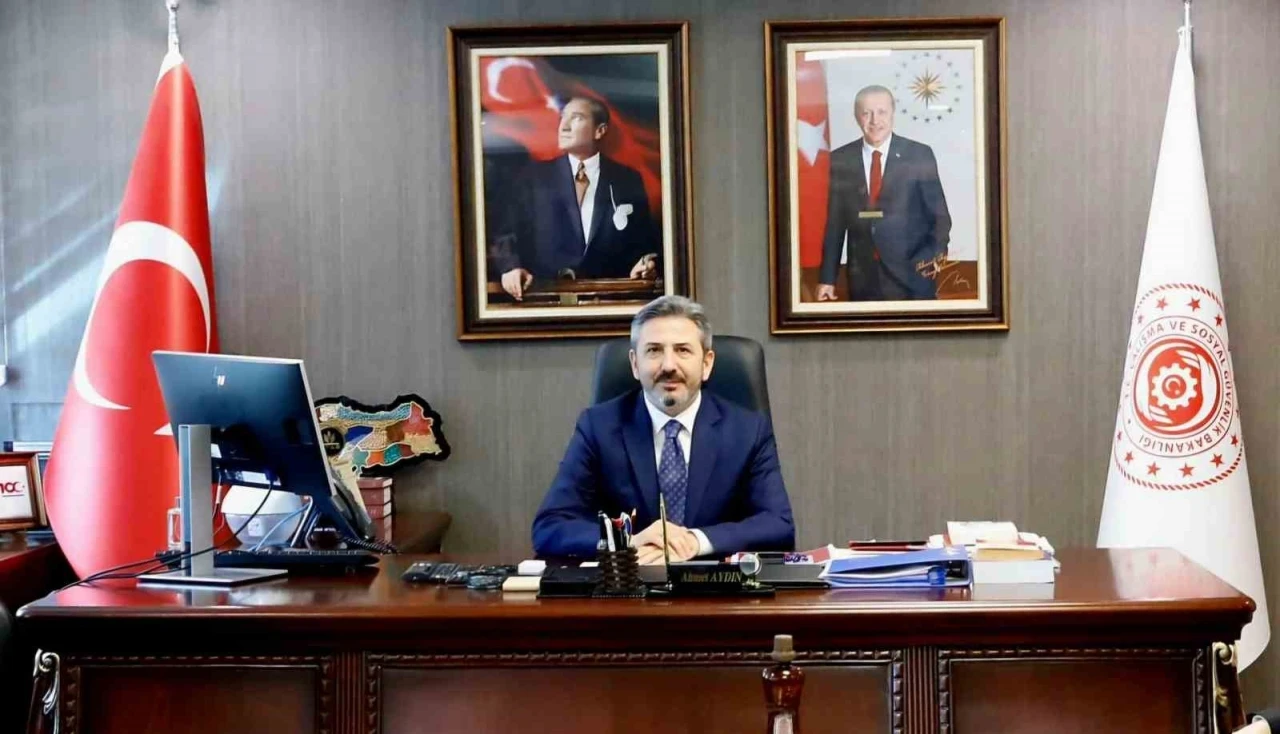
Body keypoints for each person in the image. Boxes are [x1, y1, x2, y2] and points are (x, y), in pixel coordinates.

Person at [532, 296, 795, 562]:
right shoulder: (598, 427)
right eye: (654, 350)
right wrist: (627, 541)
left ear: (706, 364)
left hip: (715, 582)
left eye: (683, 350)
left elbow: (778, 524)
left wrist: (695, 541)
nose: (669, 365)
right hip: (629, 581)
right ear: (635, 364)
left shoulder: (748, 430)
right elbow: (550, 526)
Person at [493, 96, 659, 301]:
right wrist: (510, 268)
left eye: (577, 118)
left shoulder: (627, 179)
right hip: (546, 299)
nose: (564, 126)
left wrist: (644, 263)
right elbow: (506, 234)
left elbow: (643, 242)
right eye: (563, 117)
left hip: (609, 300)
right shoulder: (533, 178)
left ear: (600, 131)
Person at [817, 85, 952, 301]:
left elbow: (940, 218)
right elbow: (835, 224)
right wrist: (827, 278)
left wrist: (932, 260)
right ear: (857, 116)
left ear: (892, 113)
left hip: (913, 277)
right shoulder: (841, 159)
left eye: (881, 112)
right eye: (866, 113)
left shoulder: (918, 155)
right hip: (863, 280)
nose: (874, 120)